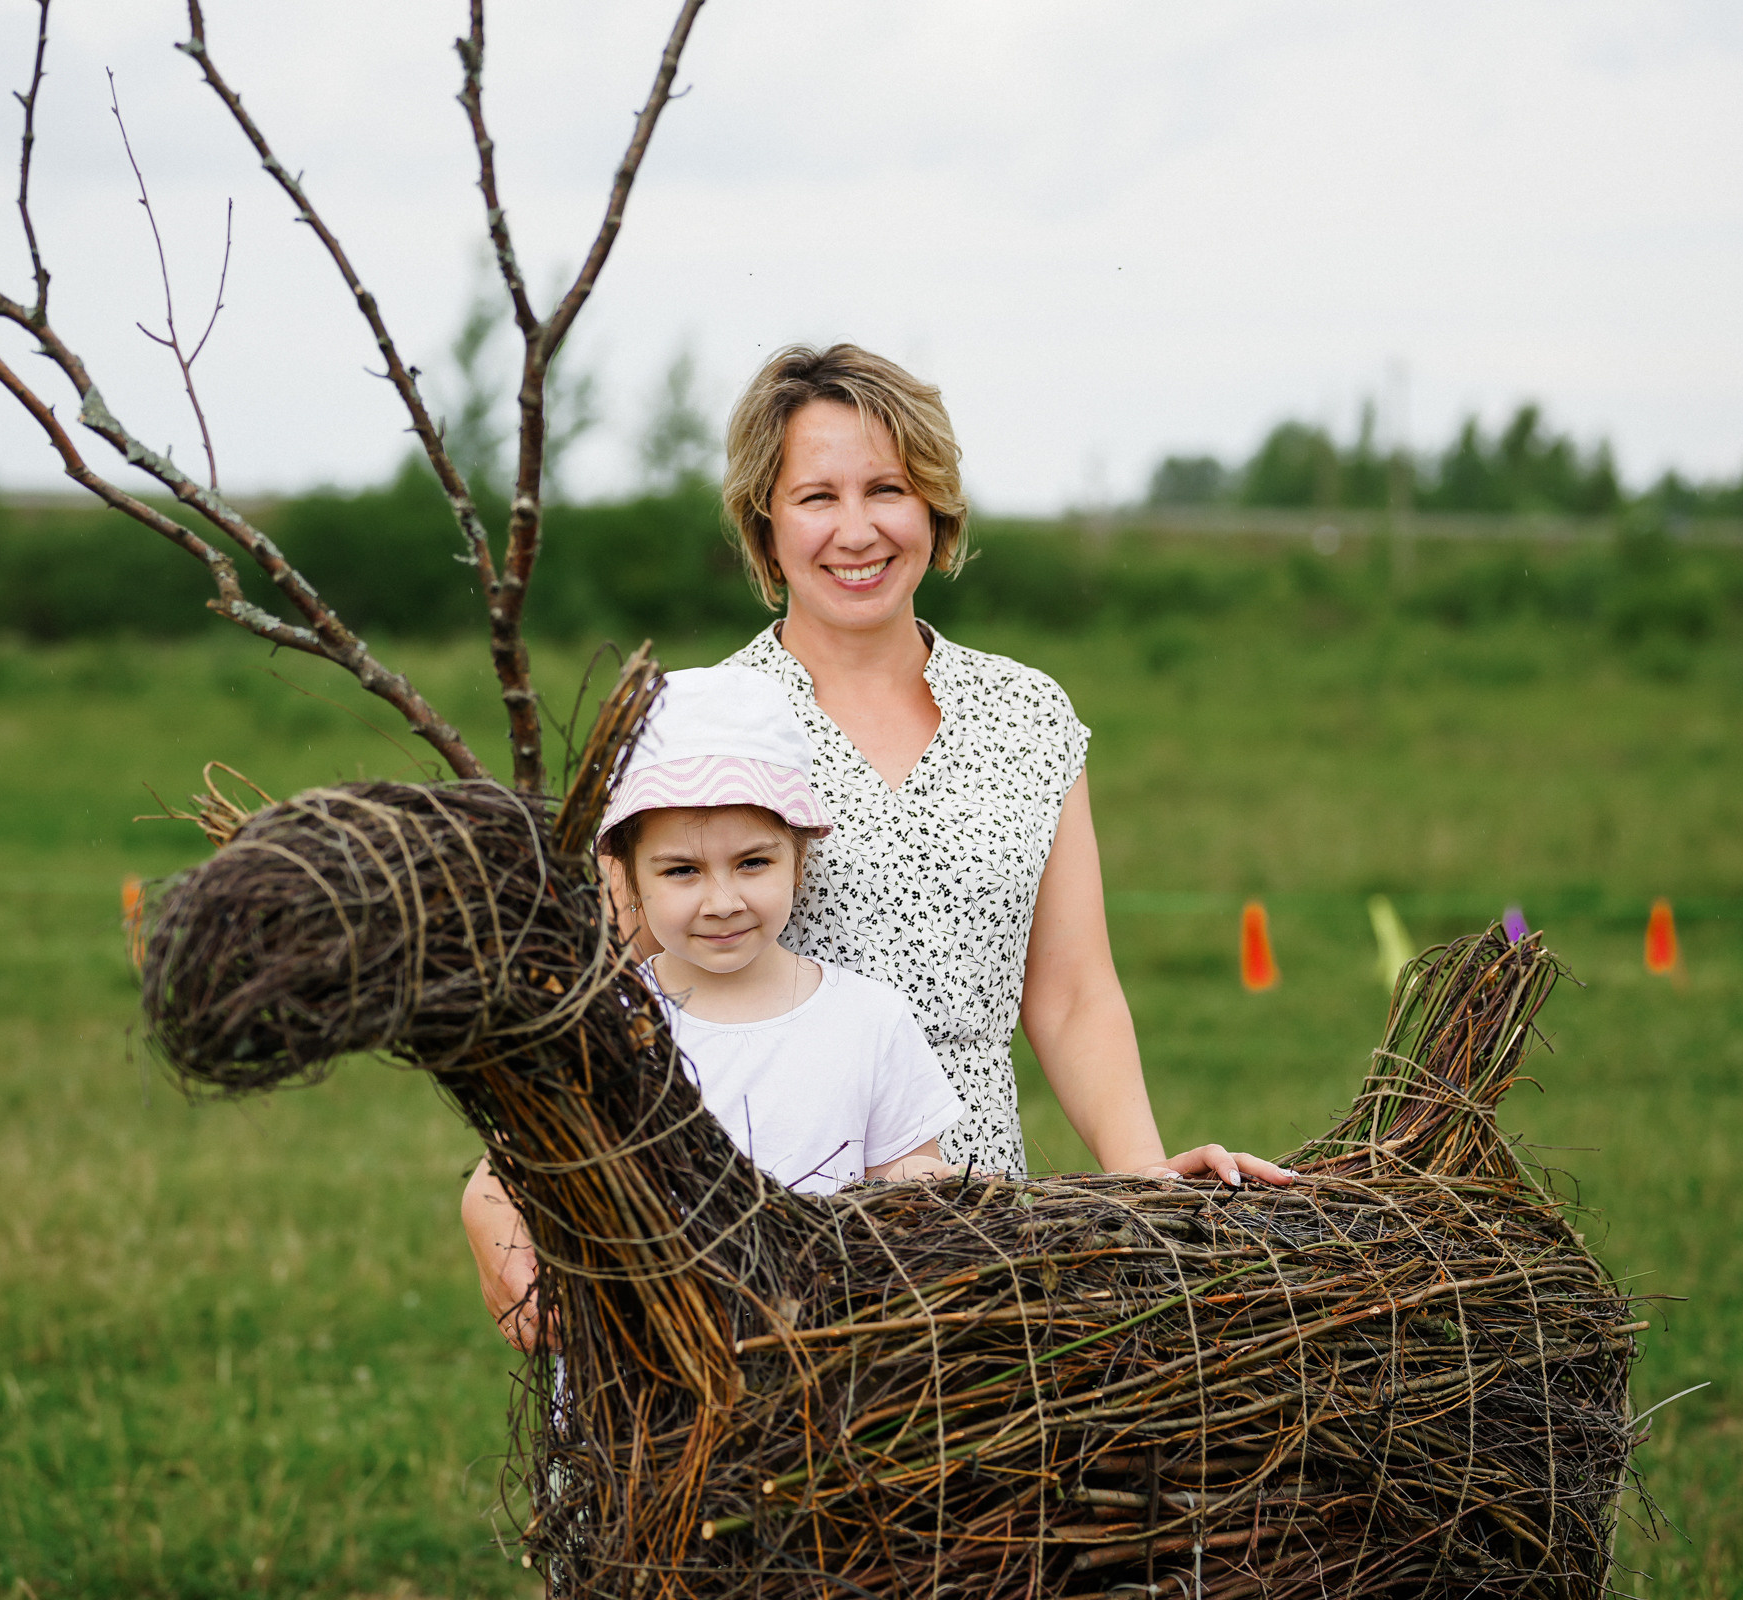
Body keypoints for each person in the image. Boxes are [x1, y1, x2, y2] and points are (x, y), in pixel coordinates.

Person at [466, 341, 1291, 1348]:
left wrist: (1150, 1182)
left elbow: (1071, 993)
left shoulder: (1027, 714)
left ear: (935, 509)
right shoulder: (697, 723)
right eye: (816, 495)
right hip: (753, 1237)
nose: (856, 529)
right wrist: (510, 1184)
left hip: (974, 1236)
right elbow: (595, 997)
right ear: (765, 523)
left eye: (888, 489)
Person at [462, 665, 966, 1347]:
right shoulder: (605, 1022)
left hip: (824, 1363)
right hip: (638, 1365)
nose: (722, 901)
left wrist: (941, 1192)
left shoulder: (869, 1021)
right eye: (682, 871)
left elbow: (905, 1187)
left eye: (753, 863)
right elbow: (531, 1163)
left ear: (799, 859)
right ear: (631, 880)